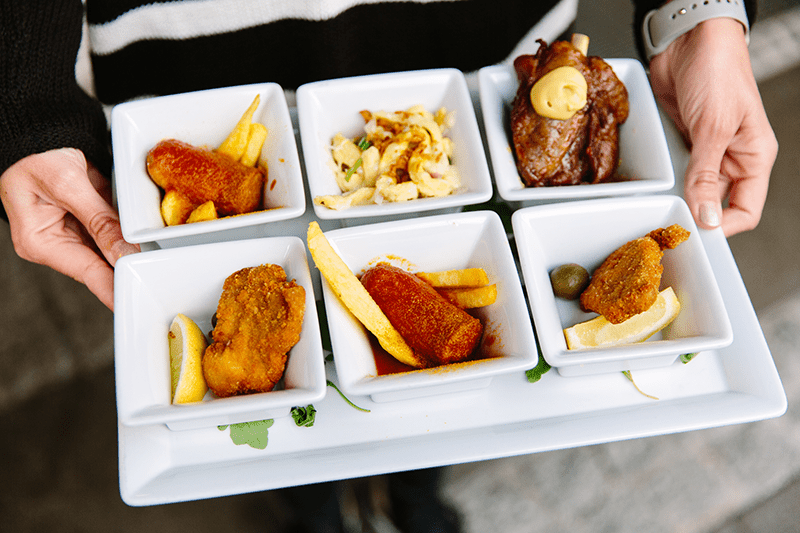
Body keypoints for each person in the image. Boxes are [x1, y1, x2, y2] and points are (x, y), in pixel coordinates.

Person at [0, 1, 778, 532]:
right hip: (188, 54)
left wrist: (698, 11)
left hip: (487, 58)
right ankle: (309, 496)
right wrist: (22, 92)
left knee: (443, 400)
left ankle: (414, 484)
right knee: (287, 400)